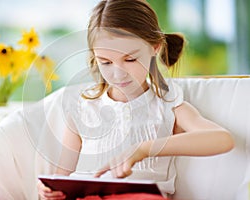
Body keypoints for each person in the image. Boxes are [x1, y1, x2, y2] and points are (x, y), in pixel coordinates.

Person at [37, 0, 234, 199]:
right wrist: (48, 190)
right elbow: (61, 177)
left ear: (155, 47)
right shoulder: (82, 107)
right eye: (105, 62)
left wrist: (144, 149)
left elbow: (222, 139)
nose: (118, 73)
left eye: (130, 59)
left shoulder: (167, 103)